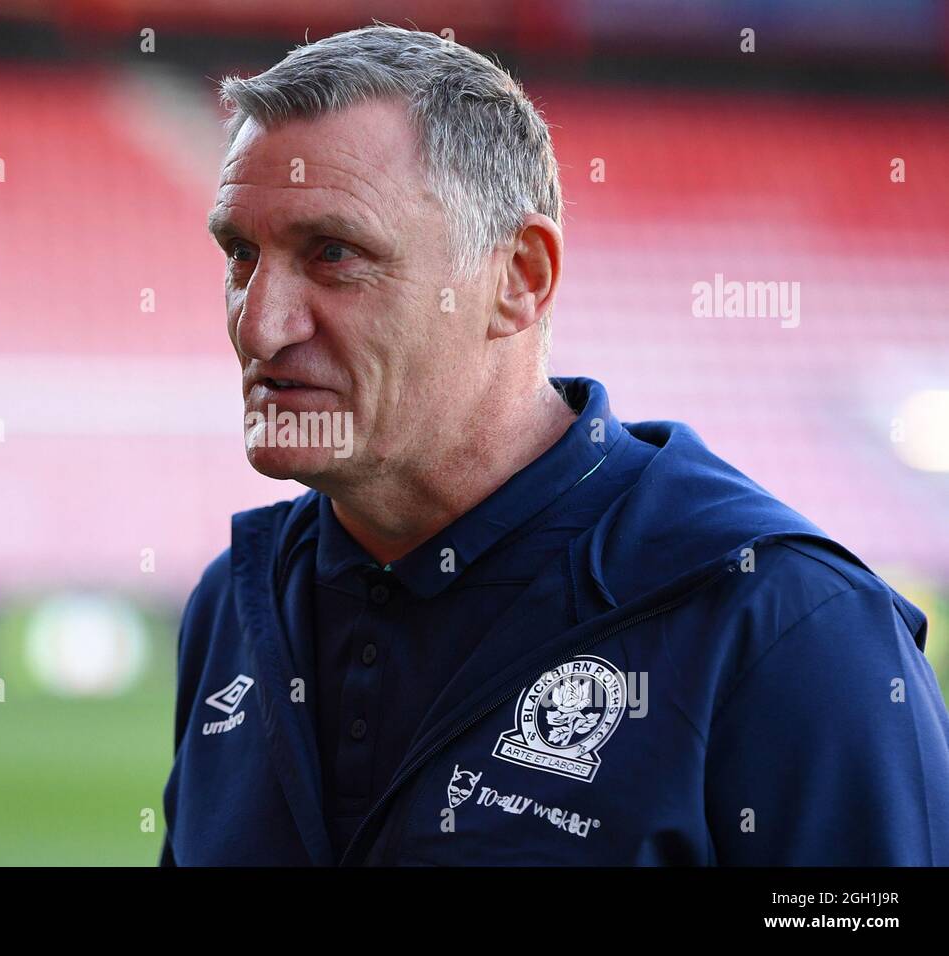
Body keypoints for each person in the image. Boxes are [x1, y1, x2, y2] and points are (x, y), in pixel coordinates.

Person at [160, 24, 949, 865]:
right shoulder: (236, 605)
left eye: (334, 254)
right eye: (241, 255)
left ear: (519, 278)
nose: (260, 323)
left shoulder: (781, 624)